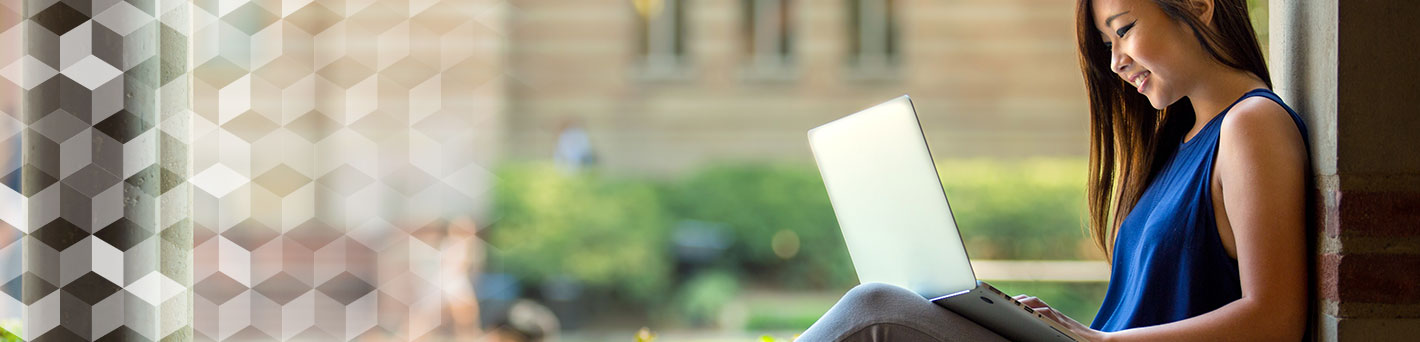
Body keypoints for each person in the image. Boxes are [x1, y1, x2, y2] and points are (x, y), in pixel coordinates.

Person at [798, 0, 1309, 341]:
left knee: (877, 312)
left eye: (1124, 30)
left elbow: (1276, 318)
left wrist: (1098, 341)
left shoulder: (1251, 123)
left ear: (1198, 3)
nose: (1115, 63)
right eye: (1108, 45)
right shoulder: (1179, 144)